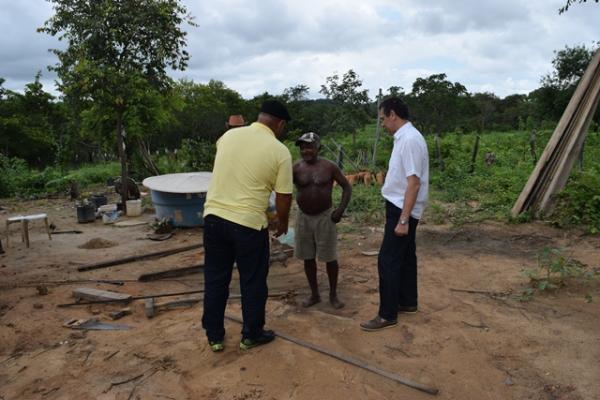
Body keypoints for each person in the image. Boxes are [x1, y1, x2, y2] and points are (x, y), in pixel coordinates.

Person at [202, 100, 293, 352]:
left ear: (260, 117)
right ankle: (251, 335)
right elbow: (284, 196)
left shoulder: (227, 138)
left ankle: (214, 336)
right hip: (248, 226)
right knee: (252, 281)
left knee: (215, 279)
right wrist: (283, 222)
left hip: (213, 219)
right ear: (280, 123)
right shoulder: (279, 151)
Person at [360, 97, 429, 331]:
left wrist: (403, 220)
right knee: (406, 256)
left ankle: (387, 314)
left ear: (392, 115)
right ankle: (407, 301)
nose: (382, 124)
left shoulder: (409, 140)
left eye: (382, 119)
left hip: (402, 208)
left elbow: (414, 183)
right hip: (402, 206)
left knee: (387, 260)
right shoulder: (406, 138)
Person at [293, 132, 352, 309]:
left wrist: (340, 210)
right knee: (307, 257)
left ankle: (333, 294)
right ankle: (314, 294)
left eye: (310, 146)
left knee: (329, 257)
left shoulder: (329, 167)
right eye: (303, 147)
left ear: (319, 147)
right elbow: (283, 189)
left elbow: (346, 187)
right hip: (303, 217)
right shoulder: (295, 168)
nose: (306, 150)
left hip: (325, 217)